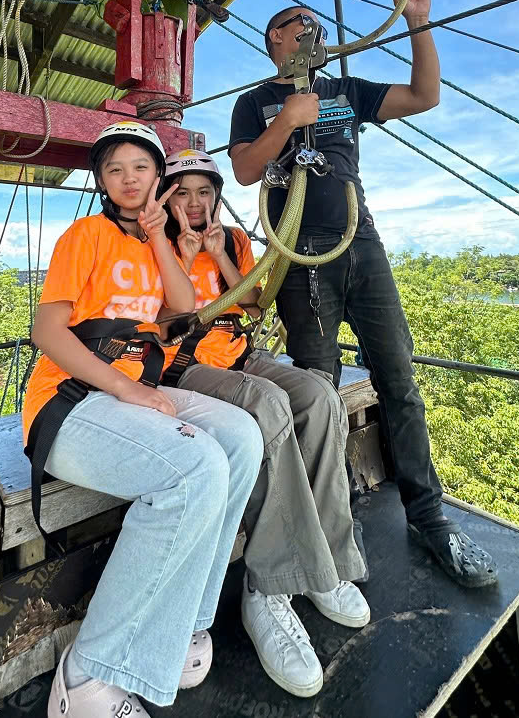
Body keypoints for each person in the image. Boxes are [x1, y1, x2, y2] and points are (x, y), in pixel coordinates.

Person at [227, 0, 498, 589]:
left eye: (315, 22)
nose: (311, 28)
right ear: (274, 40)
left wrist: (418, 23)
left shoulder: (345, 89)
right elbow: (243, 170)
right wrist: (287, 120)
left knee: (399, 379)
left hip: (361, 245)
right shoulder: (253, 102)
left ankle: (429, 519)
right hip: (298, 256)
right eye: (297, 22)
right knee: (318, 391)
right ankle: (329, 526)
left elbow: (424, 95)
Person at [23, 121, 263, 718]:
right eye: (115, 170)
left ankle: (184, 623)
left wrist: (159, 236)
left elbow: (183, 309)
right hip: (71, 401)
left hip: (132, 392)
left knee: (241, 437)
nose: (129, 179)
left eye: (141, 168)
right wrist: (124, 388)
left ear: (159, 178)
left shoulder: (156, 243)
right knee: (194, 468)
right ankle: (86, 675)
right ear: (102, 182)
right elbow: (47, 332)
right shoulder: (86, 235)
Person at [158, 150, 368, 698]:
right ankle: (269, 585)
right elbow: (158, 323)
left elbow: (252, 304)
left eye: (204, 193)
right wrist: (184, 255)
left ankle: (327, 563)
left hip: (240, 354)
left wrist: (217, 254)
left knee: (321, 397)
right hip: (186, 368)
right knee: (269, 405)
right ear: (167, 198)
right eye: (184, 193)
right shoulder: (152, 242)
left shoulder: (231, 241)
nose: (195, 204)